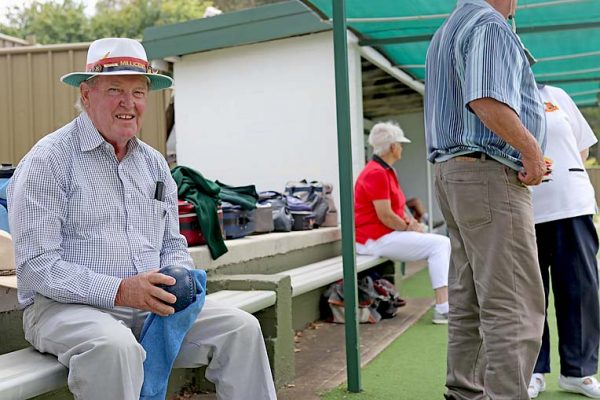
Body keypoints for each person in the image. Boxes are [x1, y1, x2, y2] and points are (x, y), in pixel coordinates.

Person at [7, 38, 277, 400]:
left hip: (149, 306)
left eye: (138, 91)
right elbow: (36, 267)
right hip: (65, 310)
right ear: (86, 95)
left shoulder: (153, 164)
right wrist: (120, 290)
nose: (128, 103)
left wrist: (175, 281)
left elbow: (172, 243)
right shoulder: (48, 161)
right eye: (115, 89)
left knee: (241, 330)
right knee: (115, 347)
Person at [424, 0, 548, 398]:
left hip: (453, 173)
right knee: (513, 302)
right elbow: (486, 102)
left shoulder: (447, 29)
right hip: (487, 173)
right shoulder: (489, 24)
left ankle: (464, 393)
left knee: (470, 297)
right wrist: (530, 152)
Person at [527, 85, 600, 399]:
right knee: (530, 295)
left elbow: (581, 149)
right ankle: (532, 370)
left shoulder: (556, 95)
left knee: (580, 290)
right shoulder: (496, 98)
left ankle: (578, 372)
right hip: (523, 210)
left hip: (572, 204)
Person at [354, 121, 451, 324]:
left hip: (382, 235)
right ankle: (443, 308)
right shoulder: (376, 173)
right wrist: (409, 226)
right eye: (400, 144)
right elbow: (385, 216)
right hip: (373, 239)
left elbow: (396, 210)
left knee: (438, 242)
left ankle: (445, 304)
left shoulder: (385, 170)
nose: (402, 148)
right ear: (392, 147)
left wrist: (411, 224)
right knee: (441, 244)